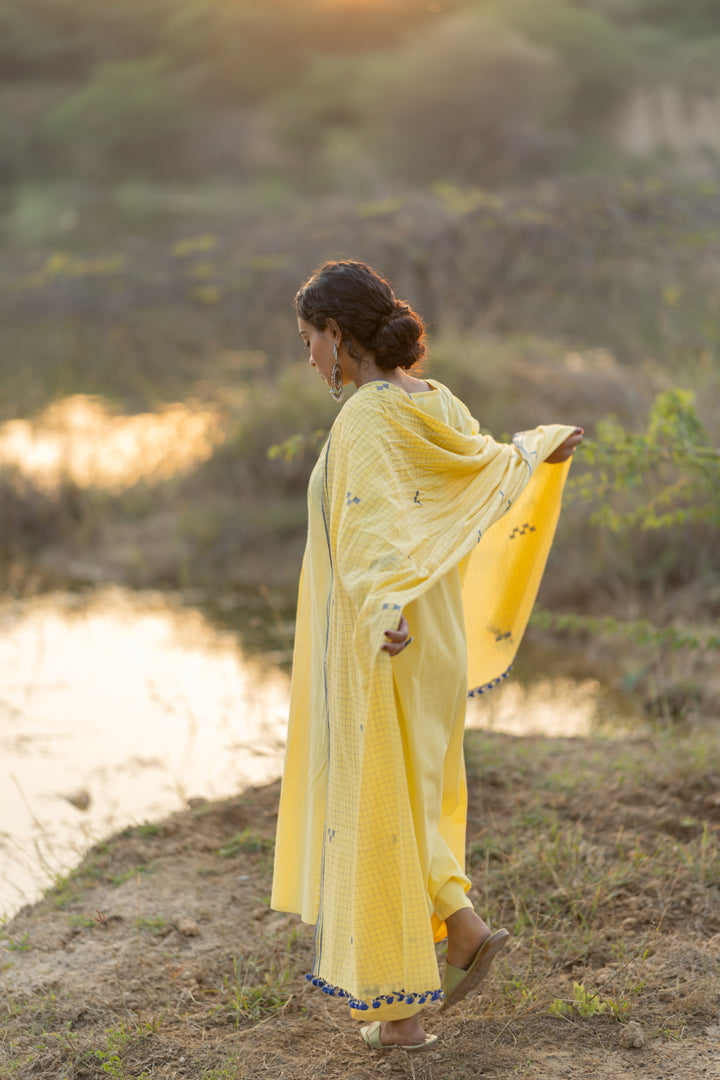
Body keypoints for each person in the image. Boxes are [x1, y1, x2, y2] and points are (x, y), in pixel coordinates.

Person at [271, 260, 582, 1051]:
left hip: (390, 638)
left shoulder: (368, 419)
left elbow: (376, 542)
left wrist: (382, 614)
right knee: (409, 797)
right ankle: (464, 929)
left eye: (309, 339)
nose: (308, 357)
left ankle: (401, 1018)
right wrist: (537, 445)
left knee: (380, 807)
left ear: (338, 334)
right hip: (430, 639)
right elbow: (486, 470)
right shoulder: (437, 401)